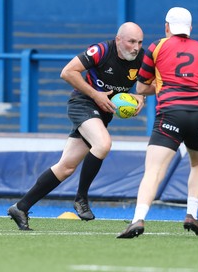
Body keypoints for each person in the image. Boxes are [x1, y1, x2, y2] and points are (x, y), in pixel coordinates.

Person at [8, 22, 145, 230]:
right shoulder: (101, 50)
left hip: (102, 113)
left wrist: (141, 96)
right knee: (103, 144)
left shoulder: (141, 57)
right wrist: (95, 94)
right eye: (131, 41)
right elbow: (67, 72)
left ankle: (21, 207)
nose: (136, 47)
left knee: (66, 167)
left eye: (140, 42)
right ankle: (81, 198)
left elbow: (148, 85)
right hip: (83, 104)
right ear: (118, 40)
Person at [117, 7, 198, 238]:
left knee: (153, 169)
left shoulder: (157, 46)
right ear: (190, 29)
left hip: (171, 114)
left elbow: (141, 88)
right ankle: (191, 214)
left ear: (166, 27)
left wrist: (164, 86)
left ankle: (138, 219)